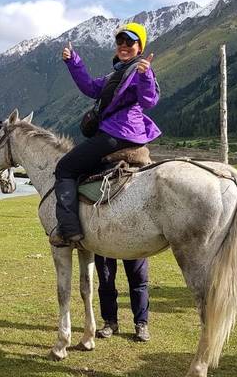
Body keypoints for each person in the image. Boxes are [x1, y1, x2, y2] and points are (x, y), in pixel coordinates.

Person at [52, 22, 160, 342]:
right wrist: (74, 62)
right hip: (112, 135)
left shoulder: (137, 71)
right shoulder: (114, 75)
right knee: (108, 263)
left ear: (140, 46)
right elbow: (88, 87)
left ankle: (69, 229)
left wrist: (146, 74)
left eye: (130, 42)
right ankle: (111, 321)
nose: (124, 46)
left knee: (65, 168)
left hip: (118, 136)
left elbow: (151, 99)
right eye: (120, 42)